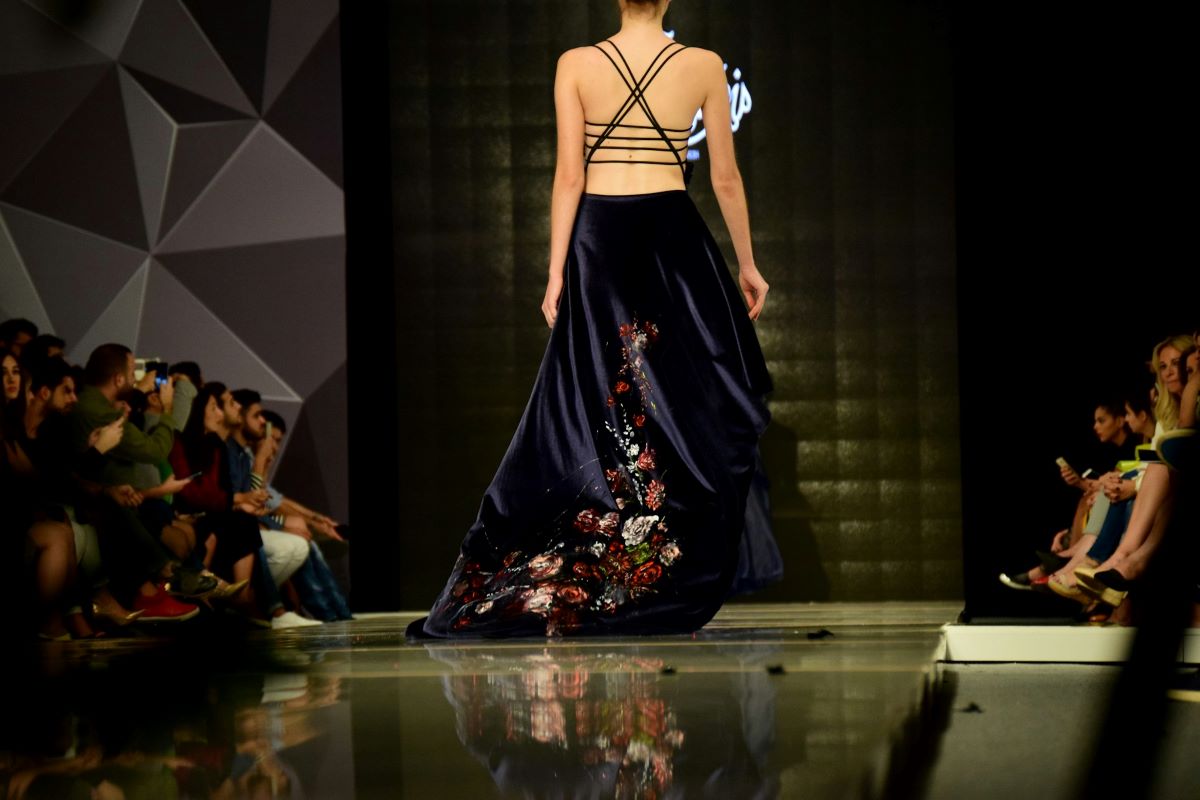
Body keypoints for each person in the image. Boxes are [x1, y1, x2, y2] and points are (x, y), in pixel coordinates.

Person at [408, 0, 776, 639]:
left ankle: (620, 546)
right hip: (670, 234)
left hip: (599, 239)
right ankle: (655, 553)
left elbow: (568, 177)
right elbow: (724, 177)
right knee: (680, 392)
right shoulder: (703, 65)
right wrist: (747, 261)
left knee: (602, 393)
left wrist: (556, 270)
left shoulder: (577, 64)